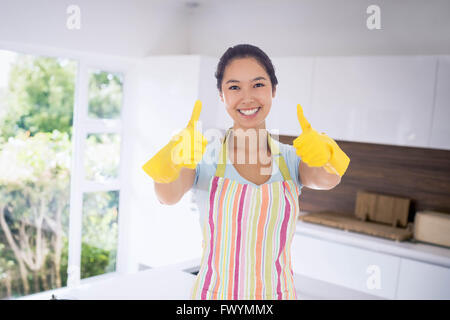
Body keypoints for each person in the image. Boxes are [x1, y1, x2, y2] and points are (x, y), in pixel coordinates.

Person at [142, 44, 350, 300]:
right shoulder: (203, 157)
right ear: (222, 95)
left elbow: (327, 179)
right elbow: (167, 196)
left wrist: (327, 155)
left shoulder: (291, 160)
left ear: (274, 90)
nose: (247, 97)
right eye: (234, 87)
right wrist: (171, 161)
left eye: (258, 84)